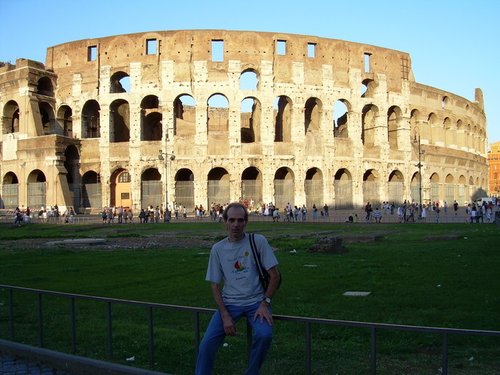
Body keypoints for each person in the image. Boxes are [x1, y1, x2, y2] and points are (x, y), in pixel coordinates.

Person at [195, 202, 280, 375]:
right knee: (206, 346)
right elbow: (215, 285)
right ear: (225, 221)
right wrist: (225, 315)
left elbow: (275, 275)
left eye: (240, 220)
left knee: (264, 336)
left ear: (246, 222)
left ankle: (251, 372)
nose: (236, 225)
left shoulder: (258, 241)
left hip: (257, 303)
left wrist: (265, 303)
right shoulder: (218, 249)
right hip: (230, 304)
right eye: (232, 220)